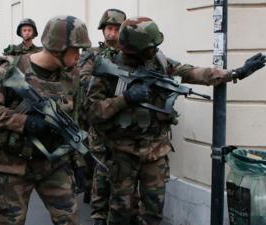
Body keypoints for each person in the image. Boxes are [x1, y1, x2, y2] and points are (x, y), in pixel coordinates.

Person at [86, 17, 266, 225]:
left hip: (155, 152)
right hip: (121, 153)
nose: (155, 50)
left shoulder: (159, 62)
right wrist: (125, 99)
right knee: (122, 214)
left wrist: (234, 73)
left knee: (153, 213)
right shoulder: (107, 69)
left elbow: (191, 72)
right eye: (150, 48)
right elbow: (92, 112)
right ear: (134, 49)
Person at [0, 15, 91, 225]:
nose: (78, 56)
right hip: (13, 165)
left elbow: (75, 122)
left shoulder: (72, 76)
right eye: (75, 49)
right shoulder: (12, 68)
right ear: (58, 48)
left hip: (55, 164)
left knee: (69, 220)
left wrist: (79, 163)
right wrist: (25, 122)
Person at [78, 8, 133, 225]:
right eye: (108, 28)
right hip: (99, 117)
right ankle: (98, 214)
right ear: (103, 31)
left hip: (123, 121)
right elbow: (83, 80)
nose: (112, 33)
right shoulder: (92, 54)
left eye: (116, 29)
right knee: (101, 166)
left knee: (122, 169)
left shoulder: (131, 55)